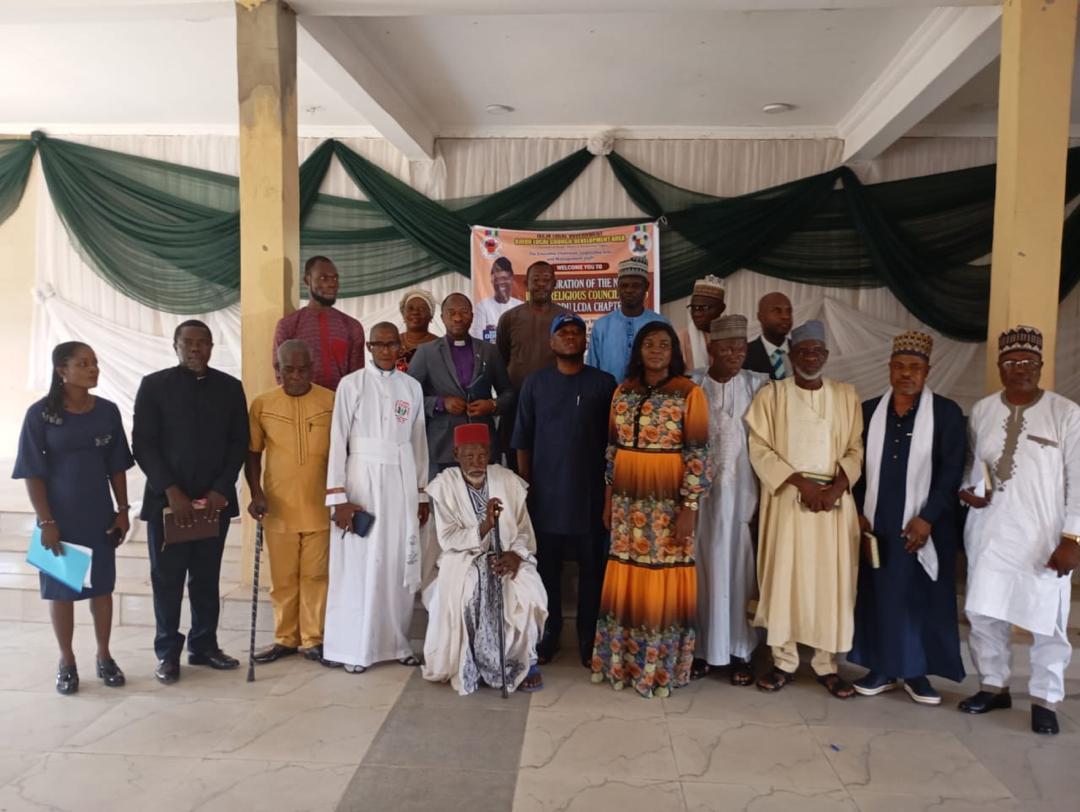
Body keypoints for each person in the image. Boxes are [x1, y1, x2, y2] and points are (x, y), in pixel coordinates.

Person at [958, 325, 1080, 736]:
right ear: (1000, 367)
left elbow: (1079, 480)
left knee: (1048, 622)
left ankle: (1046, 698)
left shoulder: (1066, 413)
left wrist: (1073, 538)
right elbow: (972, 464)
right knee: (983, 612)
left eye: (1029, 362)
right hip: (989, 533)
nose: (1020, 368)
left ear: (1041, 366)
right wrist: (967, 490)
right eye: (1012, 362)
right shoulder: (983, 410)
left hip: (1044, 538)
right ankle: (993, 686)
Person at [590, 321, 710, 698]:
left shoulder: (690, 393)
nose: (656, 350)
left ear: (674, 352)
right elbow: (611, 452)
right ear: (638, 351)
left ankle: (657, 669)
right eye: (649, 344)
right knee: (626, 573)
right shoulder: (623, 392)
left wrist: (690, 507)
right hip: (626, 500)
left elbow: (698, 454)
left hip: (667, 500)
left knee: (661, 575)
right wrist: (608, 500)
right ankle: (619, 663)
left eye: (664, 344)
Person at [745, 319, 863, 698]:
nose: (810, 357)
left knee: (831, 582)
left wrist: (835, 489)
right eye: (803, 351)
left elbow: (856, 449)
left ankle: (827, 665)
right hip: (788, 500)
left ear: (826, 355)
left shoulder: (846, 396)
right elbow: (759, 449)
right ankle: (784, 661)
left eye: (817, 351)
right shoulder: (772, 396)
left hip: (833, 504)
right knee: (785, 578)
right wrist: (803, 485)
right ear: (791, 355)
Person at [850, 331, 966, 705]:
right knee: (880, 594)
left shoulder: (946, 413)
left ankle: (917, 673)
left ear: (927, 371)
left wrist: (928, 517)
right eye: (899, 366)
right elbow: (854, 466)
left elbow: (952, 470)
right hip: (878, 521)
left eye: (915, 367)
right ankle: (881, 669)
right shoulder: (868, 411)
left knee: (921, 598)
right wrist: (857, 513)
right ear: (889, 368)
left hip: (926, 524)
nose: (906, 374)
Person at [13, 342, 134, 695]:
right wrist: (46, 522)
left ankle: (104, 656)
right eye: (83, 363)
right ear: (61, 370)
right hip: (59, 517)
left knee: (102, 589)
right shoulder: (40, 414)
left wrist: (123, 511)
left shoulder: (107, 411)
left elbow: (117, 466)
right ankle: (67, 661)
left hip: (99, 514)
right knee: (61, 592)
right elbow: (32, 472)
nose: (93, 369)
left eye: (94, 362)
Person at [133, 320, 249, 684]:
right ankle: (167, 653)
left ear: (212, 347)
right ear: (176, 345)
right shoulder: (154, 386)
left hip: (213, 503)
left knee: (206, 577)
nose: (195, 348)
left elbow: (239, 442)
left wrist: (221, 488)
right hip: (168, 505)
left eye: (203, 342)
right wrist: (171, 489)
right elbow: (143, 444)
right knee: (167, 580)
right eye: (188, 342)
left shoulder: (230, 388)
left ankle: (204, 645)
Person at [511, 312, 617, 666]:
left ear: (586, 342)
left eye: (576, 332)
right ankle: (549, 635)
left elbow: (614, 445)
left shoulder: (604, 384)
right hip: (546, 498)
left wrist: (609, 496)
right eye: (563, 332)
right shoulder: (535, 384)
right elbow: (522, 439)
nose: (570, 336)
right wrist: (526, 489)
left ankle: (589, 639)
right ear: (551, 342)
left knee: (592, 573)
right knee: (547, 572)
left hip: (590, 499)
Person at [324, 322, 430, 673]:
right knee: (361, 562)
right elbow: (338, 440)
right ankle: (356, 648)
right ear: (368, 347)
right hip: (362, 481)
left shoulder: (411, 387)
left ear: (400, 346)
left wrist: (421, 494)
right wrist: (338, 497)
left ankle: (397, 643)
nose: (385, 350)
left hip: (400, 480)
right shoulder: (351, 384)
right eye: (379, 344)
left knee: (396, 560)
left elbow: (418, 442)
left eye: (391, 344)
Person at [422, 423, 547, 694]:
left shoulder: (508, 481)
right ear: (456, 454)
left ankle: (525, 660)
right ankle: (472, 661)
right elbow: (448, 539)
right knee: (469, 590)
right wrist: (485, 526)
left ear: (490, 453)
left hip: (508, 555)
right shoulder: (444, 486)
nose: (476, 463)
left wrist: (515, 555)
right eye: (469, 456)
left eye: (481, 456)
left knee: (528, 589)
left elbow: (524, 530)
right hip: (464, 559)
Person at [246, 340, 335, 664]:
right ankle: (285, 638)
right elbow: (252, 454)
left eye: (303, 369)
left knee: (316, 577)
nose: (296, 376)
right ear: (277, 370)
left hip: (320, 507)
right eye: (289, 369)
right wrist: (256, 493)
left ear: (313, 369)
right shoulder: (262, 404)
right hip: (278, 507)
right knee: (282, 579)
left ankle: (313, 639)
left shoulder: (331, 401)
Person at [691, 315, 768, 686]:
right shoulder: (693, 384)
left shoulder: (759, 386)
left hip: (743, 498)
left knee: (739, 571)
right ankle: (701, 650)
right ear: (711, 349)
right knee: (699, 571)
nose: (736, 355)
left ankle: (741, 652)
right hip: (700, 500)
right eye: (727, 349)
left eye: (740, 349)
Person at [407, 293, 513, 479]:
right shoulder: (426, 352)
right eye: (451, 312)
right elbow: (407, 397)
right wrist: (440, 403)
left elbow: (508, 393)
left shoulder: (490, 351)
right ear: (442, 317)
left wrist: (492, 405)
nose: (457, 318)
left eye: (464, 312)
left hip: (482, 447)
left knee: (485, 497)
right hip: (443, 447)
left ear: (472, 316)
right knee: (444, 497)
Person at [273, 256, 365, 391]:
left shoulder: (352, 327)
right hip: (301, 402)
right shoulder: (288, 325)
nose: (332, 284)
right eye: (323, 278)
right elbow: (281, 374)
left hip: (340, 401)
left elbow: (357, 379)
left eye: (335, 278)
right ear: (307, 280)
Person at [586, 256, 667, 382]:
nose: (629, 290)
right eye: (624, 286)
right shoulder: (602, 326)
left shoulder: (661, 324)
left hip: (653, 393)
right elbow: (592, 371)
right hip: (609, 394)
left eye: (636, 286)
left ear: (646, 286)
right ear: (618, 288)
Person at [495, 261, 568, 391]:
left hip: (556, 392)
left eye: (546, 280)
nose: (541, 284)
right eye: (535, 280)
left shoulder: (566, 318)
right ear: (526, 283)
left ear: (554, 284)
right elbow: (502, 358)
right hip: (516, 394)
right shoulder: (509, 318)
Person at [679, 275, 727, 384]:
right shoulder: (681, 338)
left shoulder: (732, 337)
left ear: (721, 308)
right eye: (694, 308)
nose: (697, 314)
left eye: (704, 308)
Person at [471, 257, 523, 343]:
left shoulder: (521, 306)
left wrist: (495, 332)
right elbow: (477, 338)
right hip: (490, 351)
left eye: (504, 278)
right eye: (497, 279)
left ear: (511, 279)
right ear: (491, 280)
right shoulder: (482, 307)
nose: (501, 282)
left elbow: (524, 336)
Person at [743, 292, 793, 380]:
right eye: (777, 311)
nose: (785, 316)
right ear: (760, 317)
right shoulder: (743, 355)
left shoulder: (803, 352)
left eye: (789, 311)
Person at [396, 288, 439, 372]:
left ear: (431, 316)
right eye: (410, 308)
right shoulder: (393, 343)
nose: (415, 312)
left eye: (422, 308)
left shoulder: (439, 346)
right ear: (403, 314)